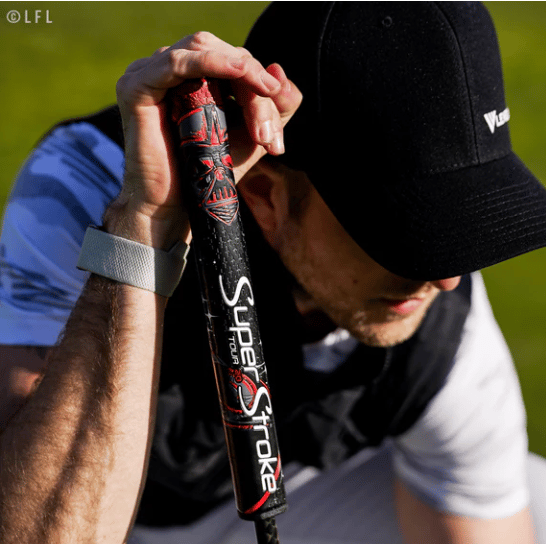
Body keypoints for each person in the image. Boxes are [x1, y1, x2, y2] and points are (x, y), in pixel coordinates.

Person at [1, 2, 546, 543]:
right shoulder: (89, 187)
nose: (448, 279)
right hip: (110, 512)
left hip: (298, 498)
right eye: (406, 233)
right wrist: (145, 228)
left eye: (460, 227)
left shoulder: (449, 326)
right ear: (264, 196)